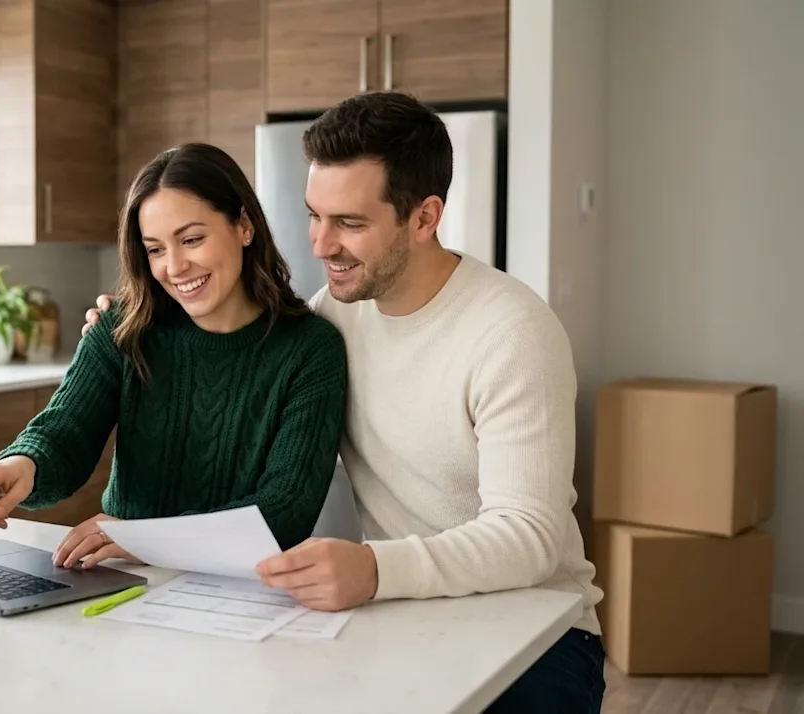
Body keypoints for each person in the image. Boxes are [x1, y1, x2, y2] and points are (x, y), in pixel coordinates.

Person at [79, 93, 606, 712]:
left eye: (350, 223)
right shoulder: (332, 319)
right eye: (314, 216)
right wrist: (131, 319)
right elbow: (227, 342)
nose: (322, 245)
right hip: (398, 613)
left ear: (424, 217)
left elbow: (530, 536)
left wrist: (377, 569)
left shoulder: (511, 332)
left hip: (538, 632)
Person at [0, 142, 348, 570]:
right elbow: (65, 430)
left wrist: (147, 538)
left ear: (244, 225)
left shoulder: (310, 349)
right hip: (128, 578)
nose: (175, 266)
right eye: (155, 249)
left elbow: (283, 512)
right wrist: (24, 463)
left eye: (192, 239)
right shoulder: (123, 327)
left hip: (245, 589)